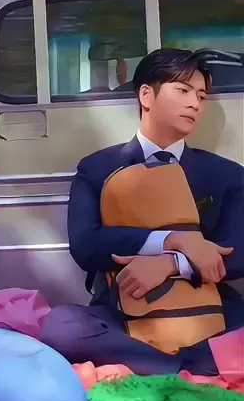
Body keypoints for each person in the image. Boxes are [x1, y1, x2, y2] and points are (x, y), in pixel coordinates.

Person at [40, 48, 244, 376]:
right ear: (146, 95)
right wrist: (171, 240)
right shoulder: (98, 168)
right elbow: (86, 245)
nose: (195, 103)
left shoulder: (226, 174)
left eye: (201, 96)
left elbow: (239, 253)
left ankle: (162, 364)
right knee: (61, 327)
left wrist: (171, 263)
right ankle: (185, 366)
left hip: (209, 307)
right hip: (124, 307)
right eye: (183, 91)